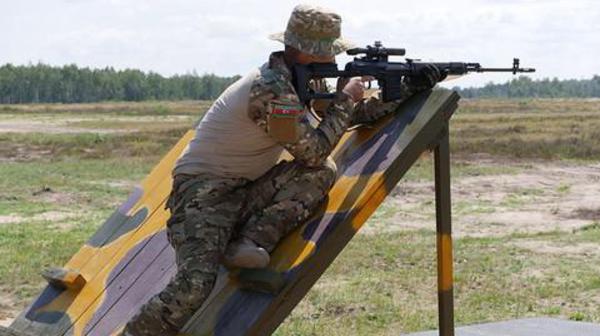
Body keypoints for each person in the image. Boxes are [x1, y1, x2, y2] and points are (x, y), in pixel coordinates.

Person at [120, 4, 442, 335]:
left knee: (321, 174)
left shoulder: (298, 81)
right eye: (330, 54)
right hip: (203, 196)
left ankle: (249, 240)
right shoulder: (270, 88)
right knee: (194, 286)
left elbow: (349, 121)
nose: (334, 61)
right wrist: (346, 98)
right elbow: (314, 151)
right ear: (306, 53)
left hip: (243, 189)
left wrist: (408, 87)